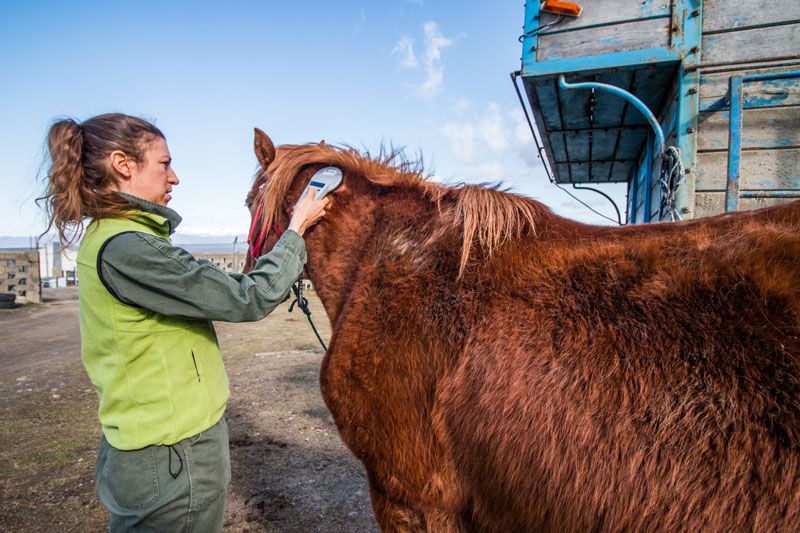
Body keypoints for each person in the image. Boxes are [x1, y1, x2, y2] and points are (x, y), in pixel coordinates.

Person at [40, 113, 329, 531]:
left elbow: (215, 285)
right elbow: (247, 297)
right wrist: (297, 228)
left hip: (160, 449)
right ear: (123, 164)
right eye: (163, 163)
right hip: (174, 456)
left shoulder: (115, 238)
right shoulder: (129, 248)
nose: (174, 178)